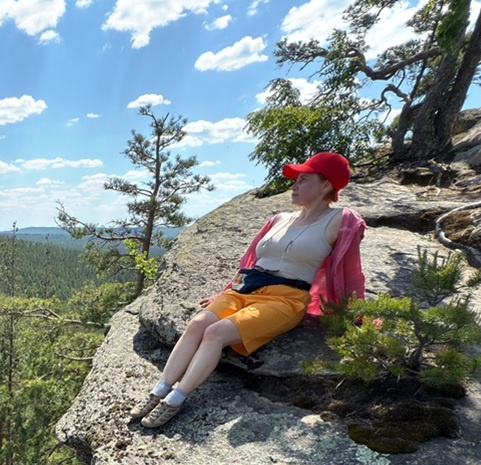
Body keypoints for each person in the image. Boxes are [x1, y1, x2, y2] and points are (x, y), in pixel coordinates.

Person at [129, 151, 366, 429]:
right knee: (198, 323)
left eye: (303, 180)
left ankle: (176, 399)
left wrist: (354, 312)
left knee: (216, 333)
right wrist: (225, 291)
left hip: (285, 299)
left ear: (326, 185)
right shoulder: (280, 219)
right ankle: (159, 390)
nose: (294, 186)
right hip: (244, 289)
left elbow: (349, 269)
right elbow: (249, 262)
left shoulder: (342, 220)